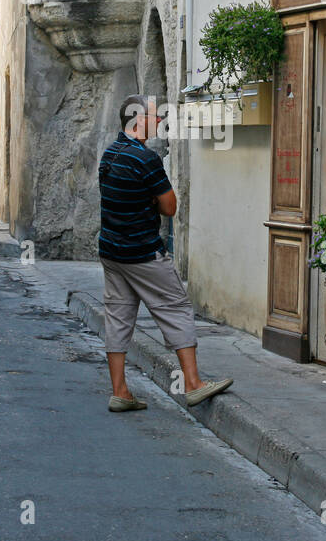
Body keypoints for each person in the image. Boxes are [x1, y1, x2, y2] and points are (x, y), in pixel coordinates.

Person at [98, 94, 231, 412]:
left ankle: (120, 391)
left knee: (118, 317)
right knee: (175, 308)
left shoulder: (110, 154)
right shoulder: (146, 159)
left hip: (111, 250)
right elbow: (170, 206)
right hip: (143, 252)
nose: (159, 122)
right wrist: (152, 201)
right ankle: (194, 384)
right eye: (155, 117)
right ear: (137, 119)